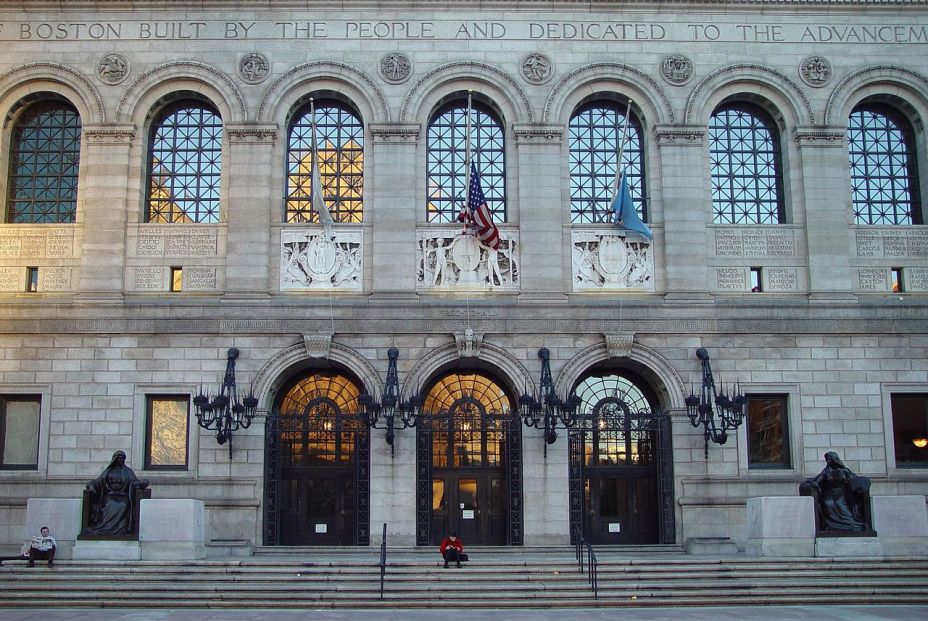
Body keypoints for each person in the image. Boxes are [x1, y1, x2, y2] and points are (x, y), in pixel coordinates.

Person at [82, 450, 149, 536]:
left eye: (122, 458)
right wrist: (92, 485)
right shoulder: (108, 471)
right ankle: (104, 527)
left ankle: (120, 528)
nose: (120, 460)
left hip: (123, 495)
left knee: (123, 504)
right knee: (109, 503)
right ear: (115, 459)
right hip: (110, 494)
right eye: (119, 458)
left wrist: (141, 484)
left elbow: (134, 482)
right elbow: (99, 481)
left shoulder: (128, 472)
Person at [800, 451, 871, 532]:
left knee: (841, 505)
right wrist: (809, 484)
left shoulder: (845, 471)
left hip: (842, 494)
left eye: (829, 459)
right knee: (828, 504)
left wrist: (861, 484)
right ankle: (832, 525)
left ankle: (851, 524)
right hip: (828, 494)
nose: (828, 461)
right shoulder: (826, 471)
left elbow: (854, 480)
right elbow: (817, 481)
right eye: (827, 459)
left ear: (835, 459)